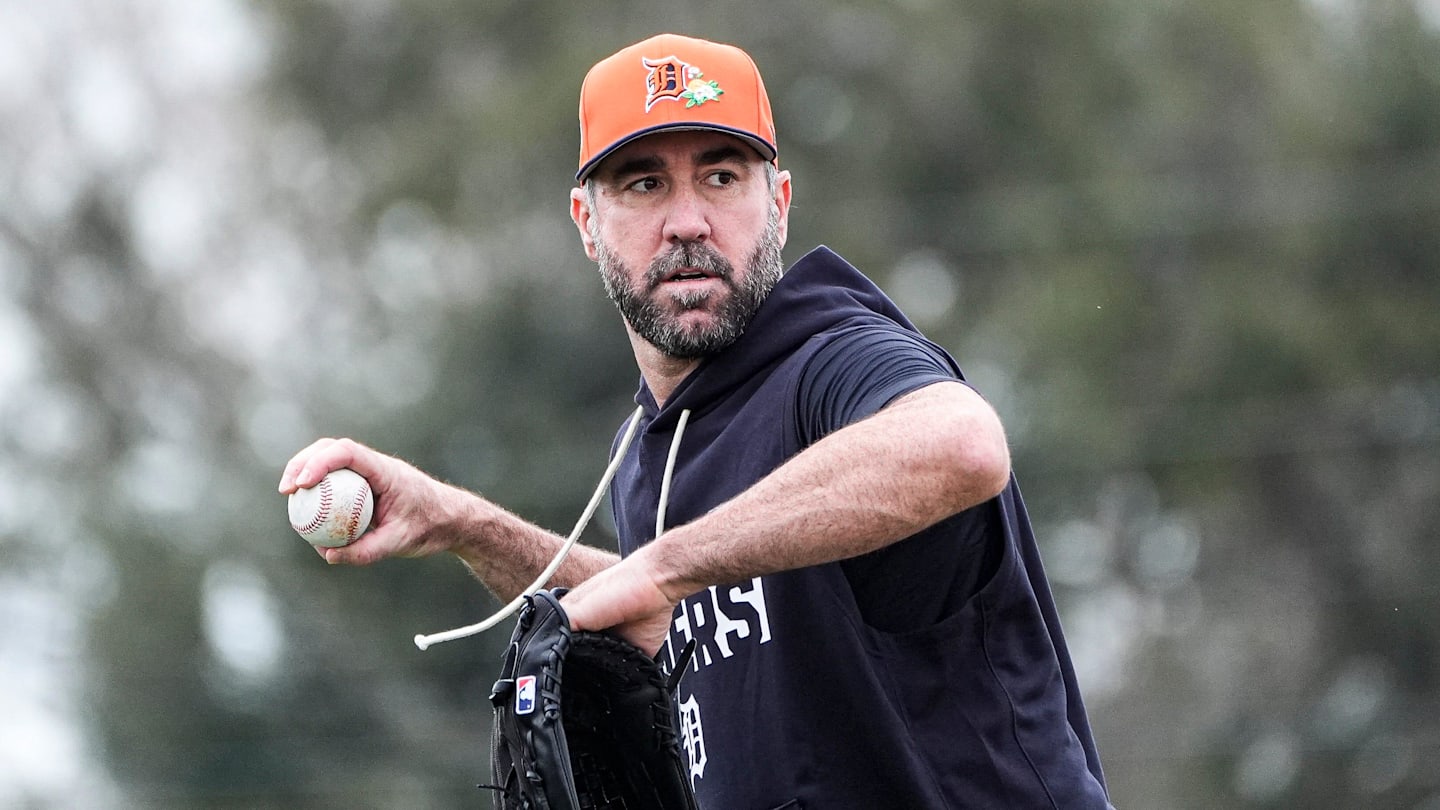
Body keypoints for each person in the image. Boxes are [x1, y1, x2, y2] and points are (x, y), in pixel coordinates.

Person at [280, 33, 1112, 809]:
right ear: (586, 224)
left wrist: (668, 565)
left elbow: (960, 443)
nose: (687, 220)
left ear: (778, 203)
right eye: (644, 184)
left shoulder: (831, 362)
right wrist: (461, 522)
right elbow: (654, 618)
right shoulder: (648, 455)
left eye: (721, 176)